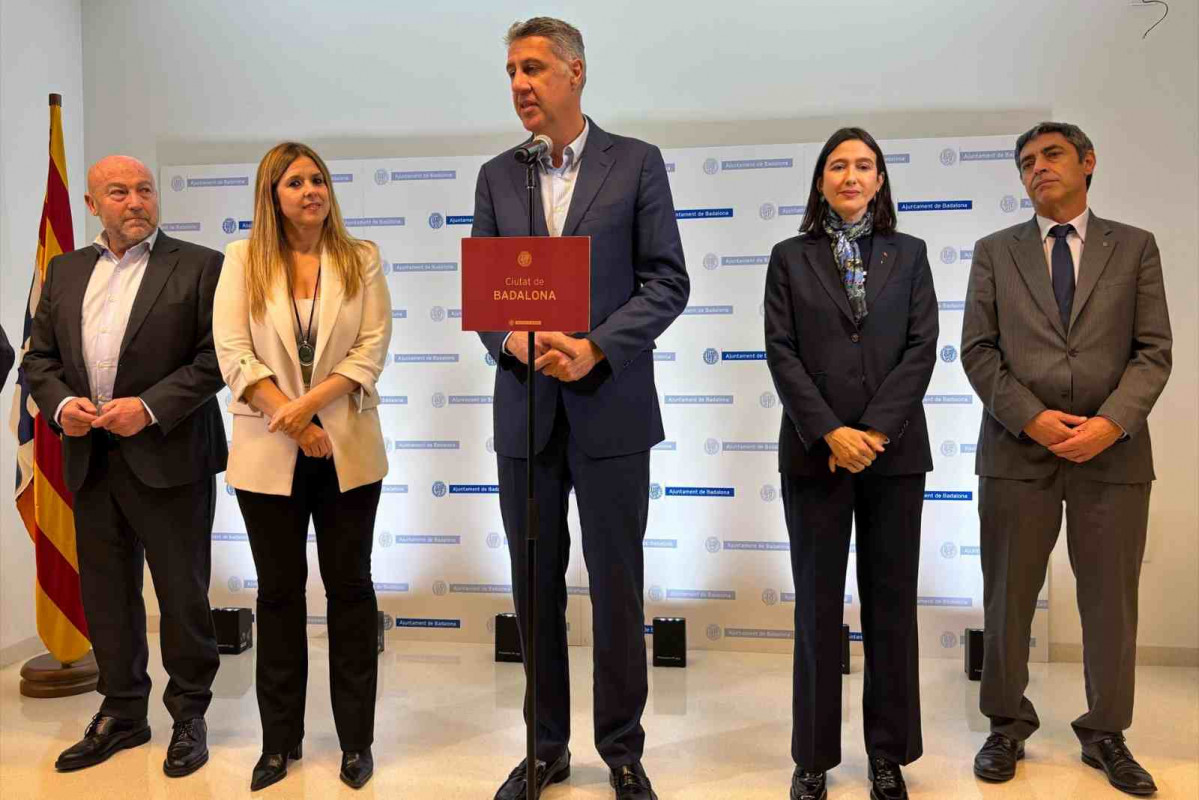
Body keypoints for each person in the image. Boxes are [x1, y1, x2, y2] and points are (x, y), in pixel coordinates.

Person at [471, 17, 689, 800]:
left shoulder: (635, 164)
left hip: (611, 407)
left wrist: (595, 346)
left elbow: (667, 281)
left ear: (576, 72)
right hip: (525, 415)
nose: (520, 85)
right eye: (509, 72)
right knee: (535, 587)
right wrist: (511, 343)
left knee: (616, 584)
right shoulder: (497, 176)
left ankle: (622, 751)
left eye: (532, 68)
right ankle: (545, 749)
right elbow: (489, 299)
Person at [962, 122, 1171, 796]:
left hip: (1112, 457)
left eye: (1050, 155)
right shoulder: (994, 252)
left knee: (1109, 602)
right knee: (1007, 598)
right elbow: (978, 350)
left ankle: (1105, 734)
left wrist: (1110, 423)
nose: (1036, 168)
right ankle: (1004, 725)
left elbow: (1152, 350)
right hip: (1015, 451)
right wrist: (1032, 418)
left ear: (1086, 162)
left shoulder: (1134, 247)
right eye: (1025, 161)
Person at [22, 155, 226, 777]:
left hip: (171, 457)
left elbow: (218, 356)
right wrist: (60, 407)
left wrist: (149, 407)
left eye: (144, 190)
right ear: (92, 205)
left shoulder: (200, 265)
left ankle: (189, 713)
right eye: (119, 192)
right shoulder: (63, 270)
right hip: (90, 458)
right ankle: (123, 711)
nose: (135, 201)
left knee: (181, 593)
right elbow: (39, 359)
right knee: (106, 595)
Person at [764, 128, 938, 800]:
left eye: (864, 165)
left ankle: (887, 755)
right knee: (815, 607)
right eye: (837, 165)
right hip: (815, 456)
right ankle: (811, 759)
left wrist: (871, 431)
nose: (850, 175)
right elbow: (780, 351)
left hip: (894, 457)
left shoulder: (911, 254)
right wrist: (832, 432)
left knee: (890, 605)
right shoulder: (789, 256)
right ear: (819, 180)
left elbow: (920, 348)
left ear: (880, 180)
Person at [213, 142, 391, 791]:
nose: (310, 190)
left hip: (346, 450)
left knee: (350, 596)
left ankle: (355, 744)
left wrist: (307, 412)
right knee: (279, 598)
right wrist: (291, 420)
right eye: (295, 182)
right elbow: (232, 353)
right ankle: (278, 743)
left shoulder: (360, 258)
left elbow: (372, 348)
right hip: (268, 457)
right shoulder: (242, 260)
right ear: (272, 195)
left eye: (318, 179)